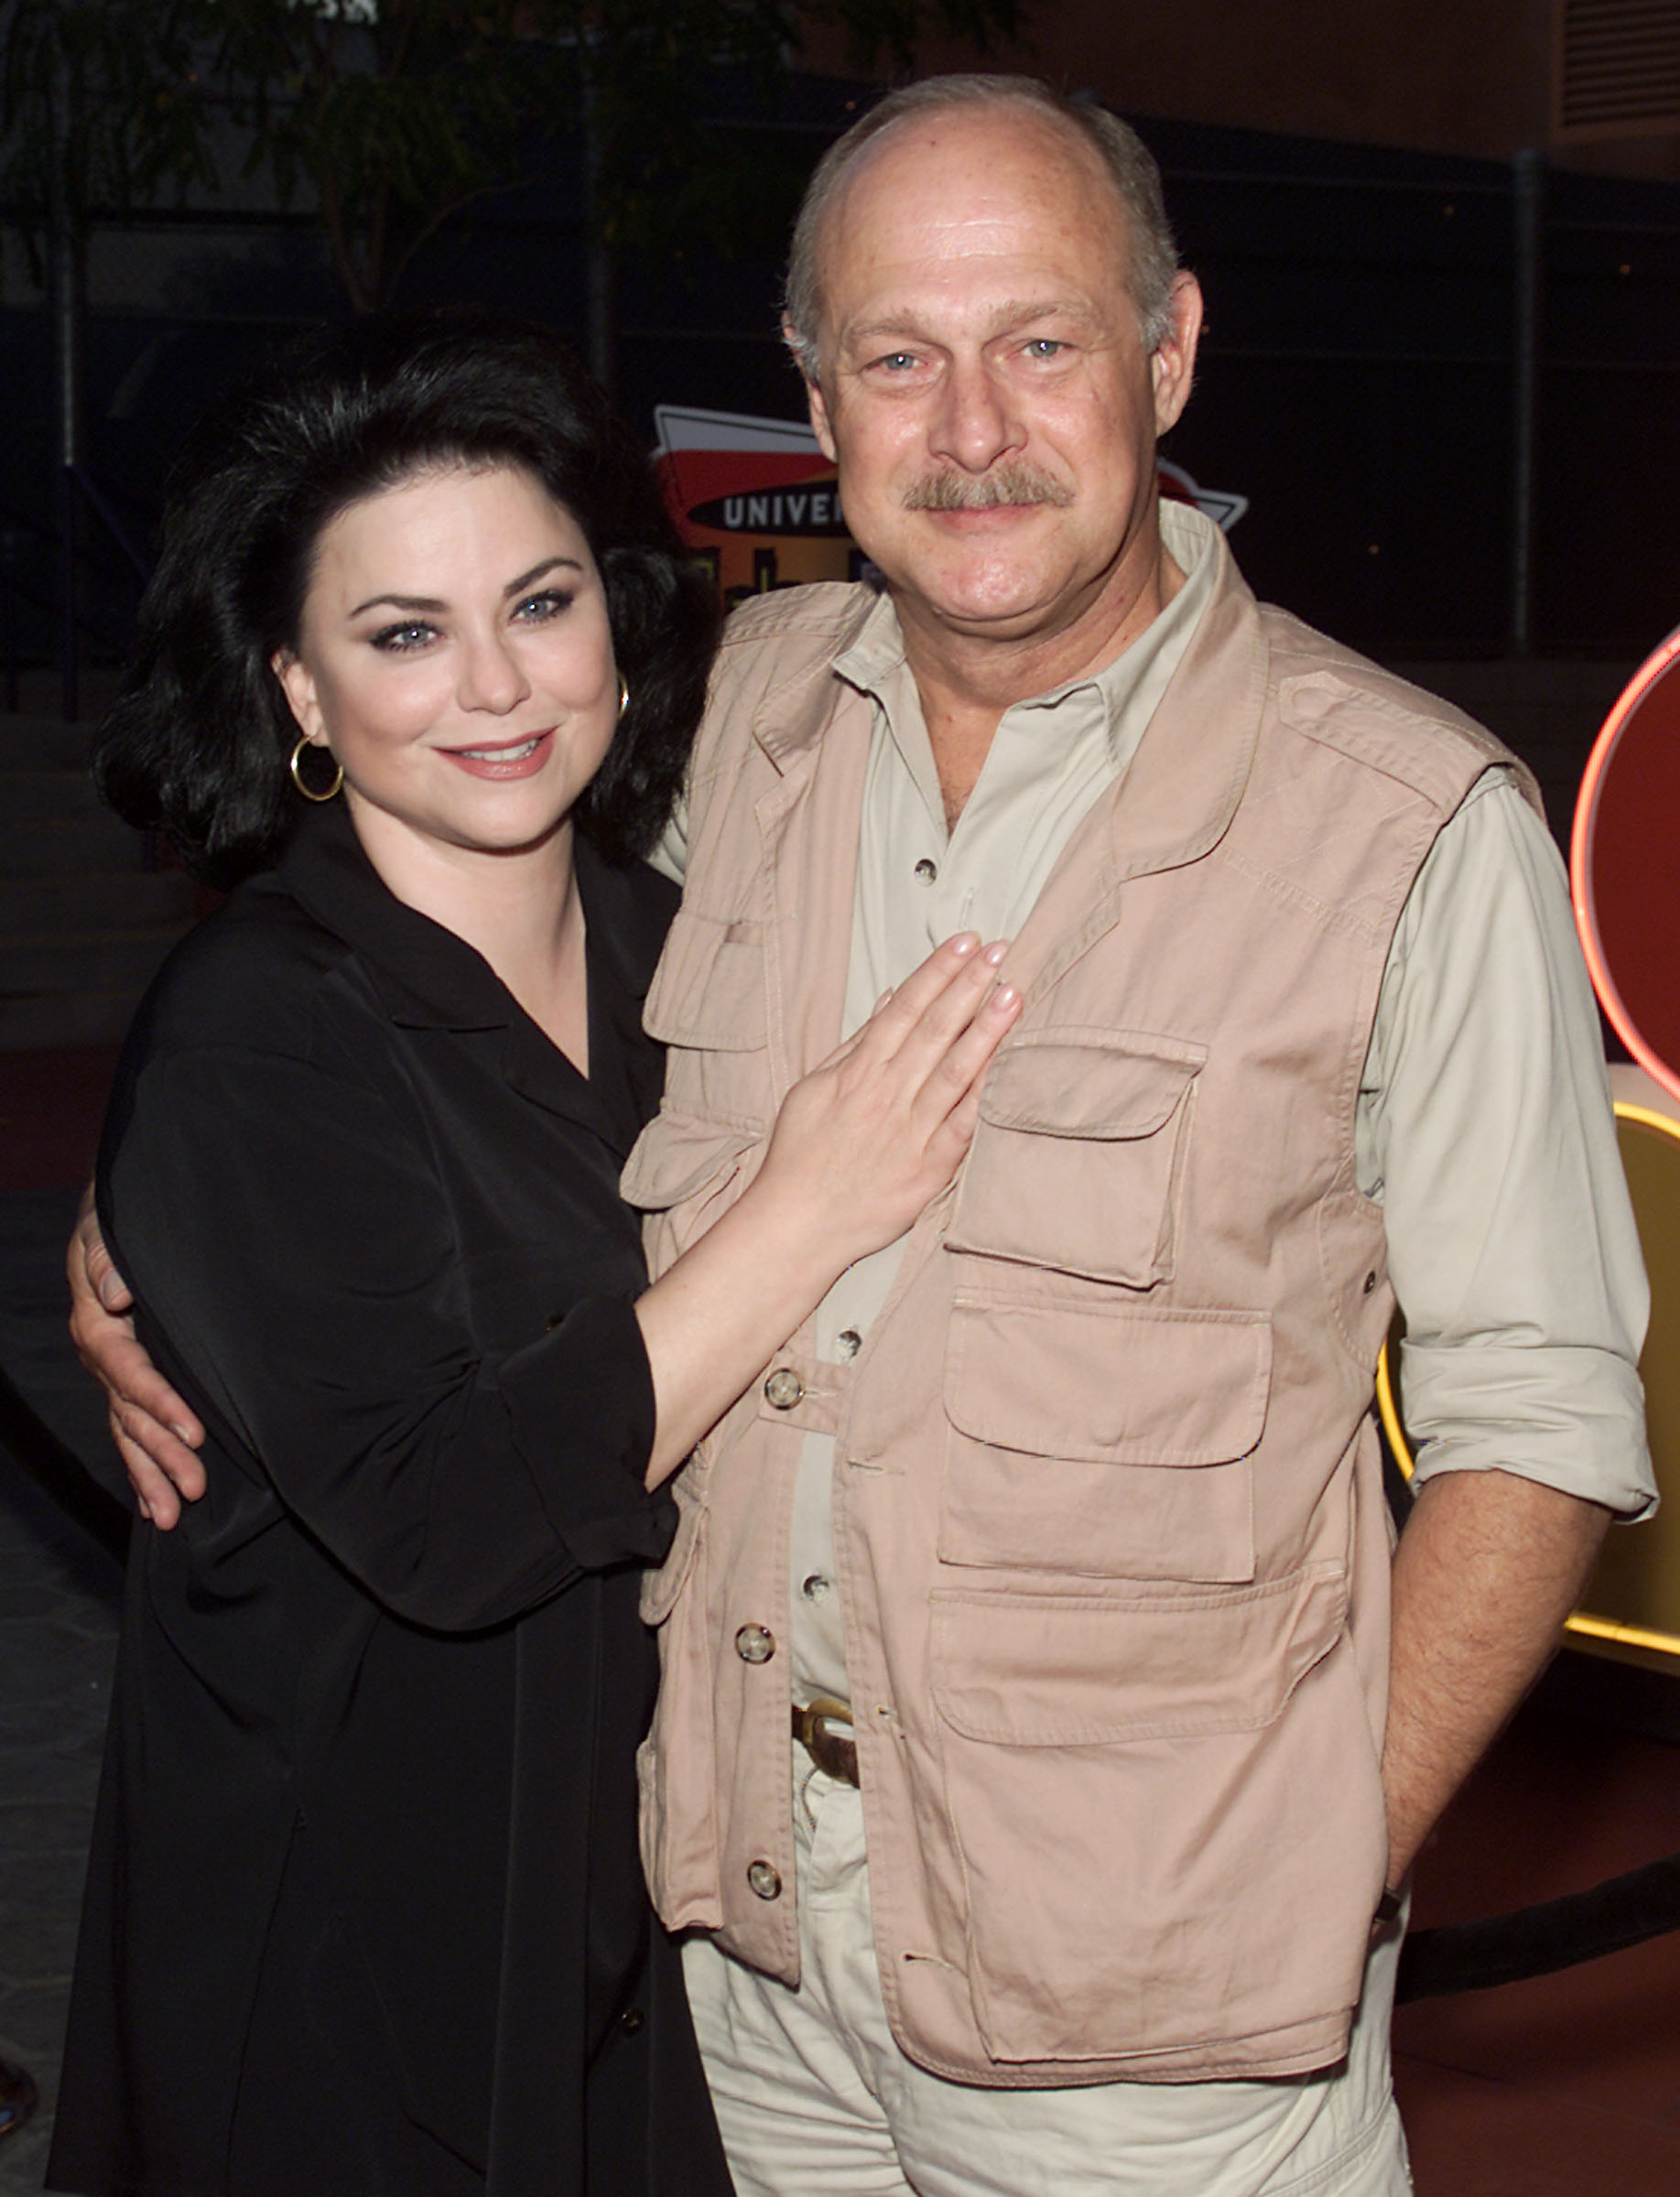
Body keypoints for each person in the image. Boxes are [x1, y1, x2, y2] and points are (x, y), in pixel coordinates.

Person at [74, 75, 1654, 2197]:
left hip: (1157, 2040)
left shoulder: (1409, 822)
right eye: (899, 355)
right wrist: (149, 1224)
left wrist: (1318, 1859)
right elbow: (399, 977)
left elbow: (1540, 1417)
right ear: (814, 396)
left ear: (1171, 351)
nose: (972, 425)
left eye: (1042, 341)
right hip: (738, 1981)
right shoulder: (735, 726)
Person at [47, 308, 1019, 2197]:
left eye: (540, 602)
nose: (494, 683)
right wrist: (808, 1201)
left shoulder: (687, 941)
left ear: (617, 620)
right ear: (300, 695)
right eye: (402, 633)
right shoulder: (259, 1027)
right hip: (353, 1900)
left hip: (636, 1865)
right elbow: (454, 1513)